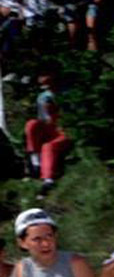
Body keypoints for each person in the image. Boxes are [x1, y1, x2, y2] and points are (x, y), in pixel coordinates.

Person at [24, 68, 71, 197]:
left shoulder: (66, 93)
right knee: (31, 124)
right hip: (49, 127)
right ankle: (35, 162)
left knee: (48, 147)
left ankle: (48, 180)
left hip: (64, 129)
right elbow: (42, 118)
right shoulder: (42, 96)